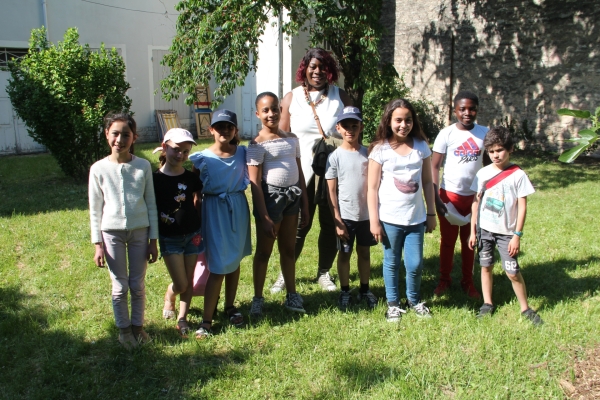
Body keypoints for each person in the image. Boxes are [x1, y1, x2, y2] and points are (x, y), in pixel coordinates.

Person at [272, 47, 353, 293]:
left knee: (330, 223)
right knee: (298, 224)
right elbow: (283, 138)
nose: (317, 72)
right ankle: (285, 274)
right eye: (313, 67)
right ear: (305, 70)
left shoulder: (341, 97)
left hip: (333, 172)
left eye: (322, 67)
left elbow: (353, 131)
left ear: (330, 70)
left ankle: (324, 272)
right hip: (301, 172)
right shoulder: (292, 97)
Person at [89, 112, 158, 350]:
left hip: (139, 232)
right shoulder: (98, 169)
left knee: (137, 284)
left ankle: (138, 328)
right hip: (111, 233)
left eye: (126, 134)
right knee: (120, 286)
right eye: (115, 133)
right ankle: (124, 331)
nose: (120, 139)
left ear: (134, 137)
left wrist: (153, 239)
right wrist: (98, 243)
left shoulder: (143, 167)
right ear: (107, 135)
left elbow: (151, 204)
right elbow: (95, 209)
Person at [367, 99, 437, 322]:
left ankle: (414, 300)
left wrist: (431, 213)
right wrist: (374, 221)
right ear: (389, 121)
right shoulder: (380, 150)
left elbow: (427, 182)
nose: (403, 125)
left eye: (408, 120)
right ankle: (393, 303)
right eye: (398, 120)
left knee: (415, 264)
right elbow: (372, 187)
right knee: (392, 261)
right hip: (389, 219)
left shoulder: (421, 147)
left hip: (415, 218)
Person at [468, 126, 543, 325]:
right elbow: (475, 203)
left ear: (510, 149)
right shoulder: (482, 174)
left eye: (499, 150)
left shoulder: (518, 175)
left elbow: (522, 207)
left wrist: (517, 235)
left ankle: (525, 308)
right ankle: (487, 303)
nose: (495, 155)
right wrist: (473, 231)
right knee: (486, 267)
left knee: (512, 272)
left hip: (507, 233)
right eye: (491, 151)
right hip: (485, 231)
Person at [189, 110, 252, 338]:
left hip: (237, 209)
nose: (224, 131)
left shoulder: (243, 153)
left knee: (234, 260)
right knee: (217, 265)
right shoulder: (202, 158)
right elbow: (196, 195)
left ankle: (230, 306)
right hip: (213, 211)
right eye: (220, 126)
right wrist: (198, 221)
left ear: (235, 130)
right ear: (211, 130)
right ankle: (207, 320)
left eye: (229, 126)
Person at [247, 92, 309, 316]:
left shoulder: (291, 138)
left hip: (293, 198)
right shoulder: (256, 144)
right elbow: (254, 182)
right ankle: (258, 298)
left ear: (281, 110)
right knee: (264, 252)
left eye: (275, 108)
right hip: (271, 200)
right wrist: (263, 216)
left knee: (288, 249)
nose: (271, 113)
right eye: (265, 110)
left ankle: (291, 294)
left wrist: (305, 203)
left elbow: (299, 171)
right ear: (257, 114)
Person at [432, 91, 488, 299]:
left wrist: (487, 192)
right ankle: (444, 280)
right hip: (449, 196)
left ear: (477, 110)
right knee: (448, 242)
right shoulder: (446, 134)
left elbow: (491, 166)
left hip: (473, 198)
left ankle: (468, 281)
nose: (467, 112)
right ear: (454, 109)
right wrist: (436, 196)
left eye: (471, 108)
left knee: (469, 242)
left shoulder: (485, 133)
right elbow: (434, 166)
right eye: (462, 109)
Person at [325, 106, 378, 311]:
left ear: (361, 127)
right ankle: (345, 290)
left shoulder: (369, 154)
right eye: (345, 125)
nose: (350, 130)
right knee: (345, 254)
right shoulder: (335, 156)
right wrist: (337, 219)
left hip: (367, 215)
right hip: (346, 216)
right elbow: (331, 191)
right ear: (338, 128)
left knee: (364, 253)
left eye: (354, 125)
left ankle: (365, 289)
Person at [152, 128, 203, 337]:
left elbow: (197, 199)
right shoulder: (154, 180)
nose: (180, 155)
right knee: (181, 283)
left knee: (189, 280)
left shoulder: (191, 178)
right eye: (175, 149)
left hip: (192, 235)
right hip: (169, 238)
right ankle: (170, 294)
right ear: (164, 147)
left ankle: (182, 318)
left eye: (185, 151)